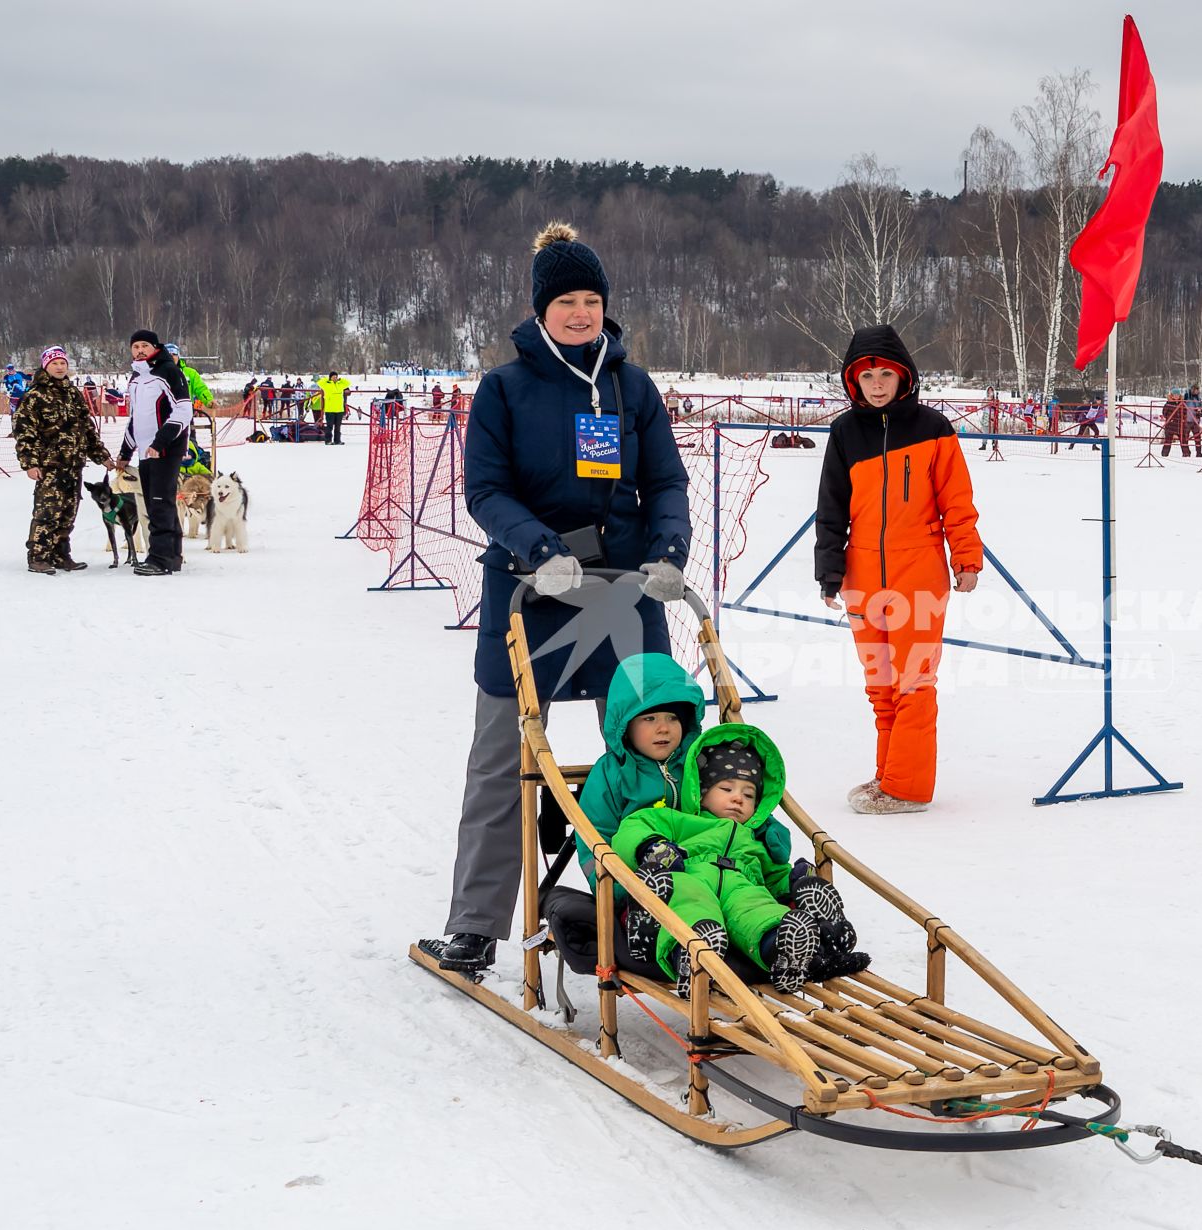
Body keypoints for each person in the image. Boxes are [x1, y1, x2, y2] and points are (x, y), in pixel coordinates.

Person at [420, 222, 691, 976]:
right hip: (530, 587)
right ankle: (475, 924)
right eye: (566, 300)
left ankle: (659, 906)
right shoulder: (505, 388)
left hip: (624, 589)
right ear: (541, 310)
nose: (580, 312)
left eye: (591, 299)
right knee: (502, 759)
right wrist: (539, 548)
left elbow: (666, 480)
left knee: (655, 750)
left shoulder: (632, 388)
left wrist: (669, 551)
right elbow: (484, 490)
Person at [815, 324, 982, 816]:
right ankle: (890, 775)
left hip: (919, 570)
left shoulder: (932, 428)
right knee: (880, 684)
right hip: (862, 573)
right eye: (868, 377)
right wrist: (830, 569)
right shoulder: (845, 432)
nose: (878, 384)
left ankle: (908, 788)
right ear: (854, 382)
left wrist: (966, 558)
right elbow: (831, 507)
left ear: (904, 375)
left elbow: (957, 500)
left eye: (887, 373)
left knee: (913, 680)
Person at [611, 725, 864, 996]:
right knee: (689, 900)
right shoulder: (681, 820)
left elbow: (773, 875)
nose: (737, 798)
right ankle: (692, 952)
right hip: (691, 874)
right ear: (702, 791)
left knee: (758, 908)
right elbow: (633, 826)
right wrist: (652, 847)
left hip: (743, 885)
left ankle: (782, 948)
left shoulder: (754, 838)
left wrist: (795, 882)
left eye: (749, 795)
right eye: (726, 788)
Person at [12, 346, 114, 574]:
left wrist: (102, 456)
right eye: (54, 363)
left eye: (63, 363)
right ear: (45, 366)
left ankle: (60, 554)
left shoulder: (73, 394)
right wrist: (30, 463)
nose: (59, 367)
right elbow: (24, 431)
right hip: (49, 465)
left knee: (68, 512)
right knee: (47, 512)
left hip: (73, 464)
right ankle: (38, 556)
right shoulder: (35, 395)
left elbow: (87, 429)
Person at [119, 329, 193, 577]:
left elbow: (183, 411)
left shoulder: (168, 371)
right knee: (155, 503)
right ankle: (173, 555)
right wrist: (125, 452)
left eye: (144, 346)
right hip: (144, 451)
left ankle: (159, 558)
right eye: (135, 346)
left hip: (165, 449)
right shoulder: (136, 378)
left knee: (160, 504)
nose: (139, 350)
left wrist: (160, 443)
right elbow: (135, 418)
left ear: (154, 348)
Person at [317, 369, 351, 444]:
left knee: (338, 427)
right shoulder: (326, 385)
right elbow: (319, 382)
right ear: (330, 377)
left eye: (336, 376)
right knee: (329, 426)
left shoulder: (340, 384)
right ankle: (328, 440)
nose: (335, 378)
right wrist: (328, 379)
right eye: (333, 377)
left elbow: (348, 383)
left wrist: (340, 379)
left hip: (339, 409)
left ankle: (337, 440)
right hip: (330, 409)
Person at [1158, 389, 1186, 457]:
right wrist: (1170, 418)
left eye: (1178, 395)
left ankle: (1186, 454)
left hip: (1180, 425)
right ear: (1172, 395)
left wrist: (1184, 418)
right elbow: (1164, 413)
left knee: (1184, 440)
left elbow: (1186, 412)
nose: (1176, 396)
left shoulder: (1182, 403)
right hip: (1170, 425)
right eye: (1175, 395)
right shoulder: (1168, 403)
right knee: (1168, 440)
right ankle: (1164, 454)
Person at [1183, 385, 1202, 457]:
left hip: (1196, 421)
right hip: (1187, 420)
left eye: (1197, 390)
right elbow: (1182, 404)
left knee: (1197, 437)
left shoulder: (1198, 398)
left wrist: (1200, 410)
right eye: (1195, 389)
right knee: (1185, 437)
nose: (1196, 391)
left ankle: (1199, 452)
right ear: (1192, 390)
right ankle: (1186, 453)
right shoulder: (1187, 396)